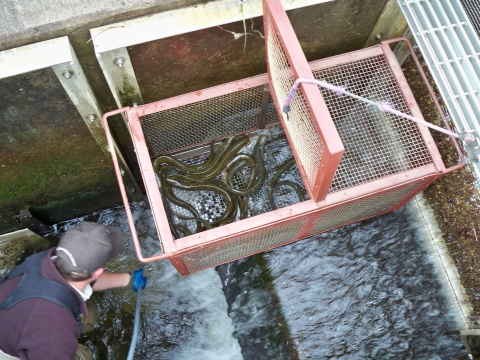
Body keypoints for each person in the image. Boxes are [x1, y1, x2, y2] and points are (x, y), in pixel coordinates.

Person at [0, 221, 137, 360]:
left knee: (89, 314)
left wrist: (128, 279)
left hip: (16, 314)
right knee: (85, 356)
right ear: (99, 271)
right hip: (9, 350)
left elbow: (85, 278)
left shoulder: (49, 259)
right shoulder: (55, 335)